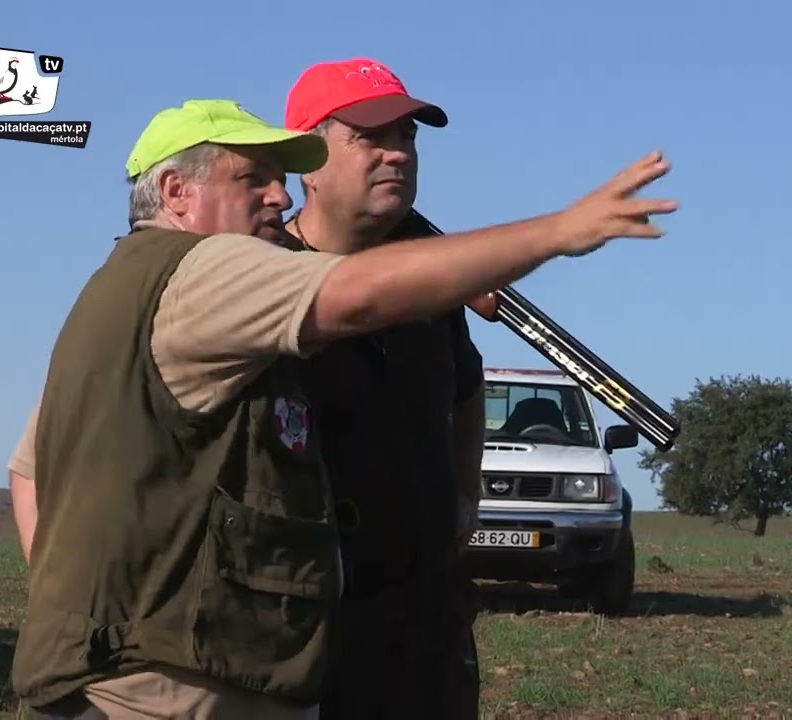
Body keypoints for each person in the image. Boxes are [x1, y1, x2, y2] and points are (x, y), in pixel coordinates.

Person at [5, 93, 678, 717]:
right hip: (172, 691)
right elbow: (356, 292)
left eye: (282, 177)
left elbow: (29, 469)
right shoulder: (204, 270)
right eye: (253, 179)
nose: (279, 194)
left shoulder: (122, 289)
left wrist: (79, 622)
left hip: (161, 674)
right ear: (177, 193)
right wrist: (557, 231)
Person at [277, 56, 483, 718]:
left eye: (408, 136)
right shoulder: (259, 281)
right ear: (308, 161)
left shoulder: (428, 284)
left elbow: (466, 388)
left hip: (426, 612)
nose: (398, 154)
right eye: (371, 136)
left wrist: (465, 494)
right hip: (305, 617)